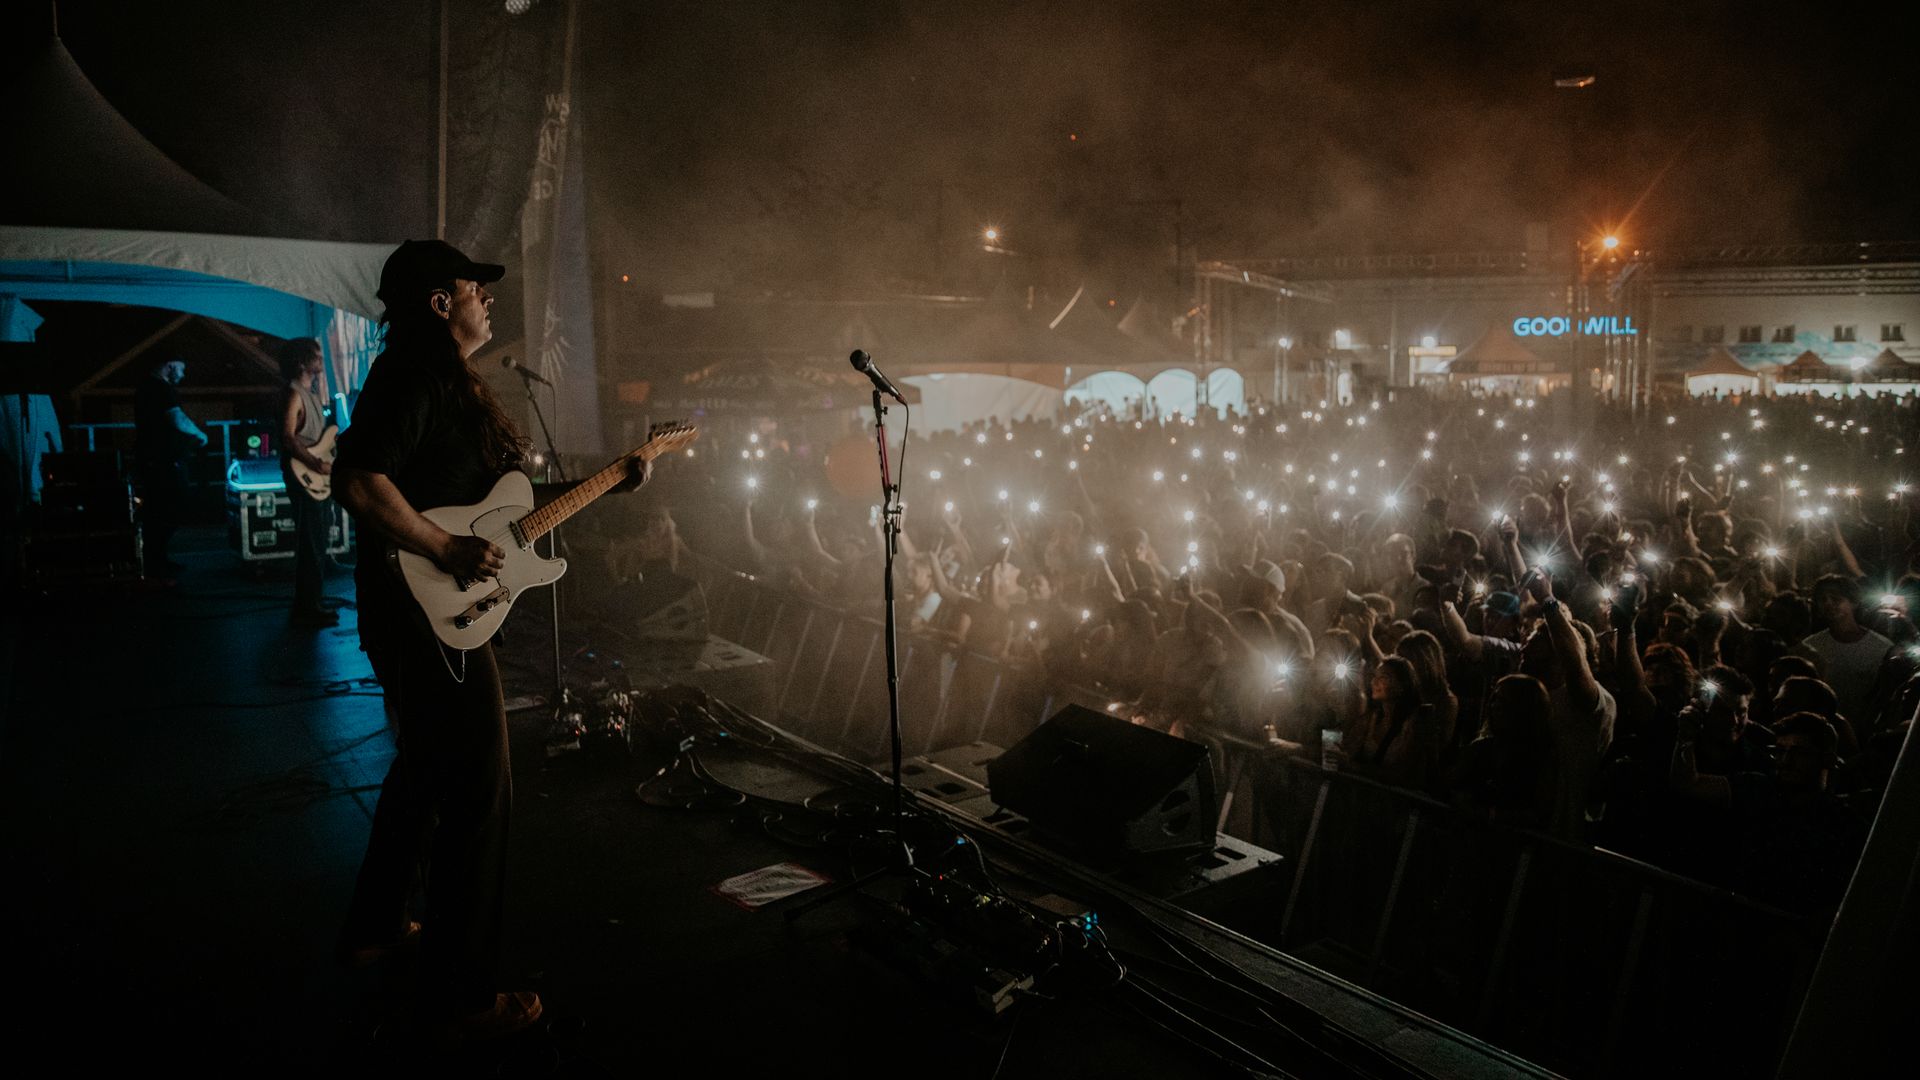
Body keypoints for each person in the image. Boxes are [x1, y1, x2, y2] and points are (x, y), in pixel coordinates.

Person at [332, 239, 650, 1045]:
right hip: (423, 617)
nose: (489, 300)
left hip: (417, 616)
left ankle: (375, 926)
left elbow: (500, 508)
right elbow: (359, 480)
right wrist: (442, 549)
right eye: (475, 289)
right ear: (440, 302)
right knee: (481, 792)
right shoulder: (417, 373)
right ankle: (461, 994)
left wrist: (609, 480)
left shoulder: (441, 379)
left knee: (422, 773)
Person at [277, 338, 336, 627]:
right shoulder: (293, 394)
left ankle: (312, 602)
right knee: (311, 542)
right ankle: (307, 608)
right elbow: (289, 438)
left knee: (317, 540)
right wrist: (315, 463)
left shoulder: (310, 394)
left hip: (313, 473)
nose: (322, 360)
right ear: (302, 362)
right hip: (304, 473)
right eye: (317, 355)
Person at [133, 356, 207, 578]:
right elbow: (176, 418)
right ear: (170, 366)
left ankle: (155, 560)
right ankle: (155, 562)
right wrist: (199, 434)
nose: (182, 375)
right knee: (169, 508)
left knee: (159, 511)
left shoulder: (146, 387)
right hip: (163, 461)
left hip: (153, 459)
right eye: (180, 369)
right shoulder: (160, 389)